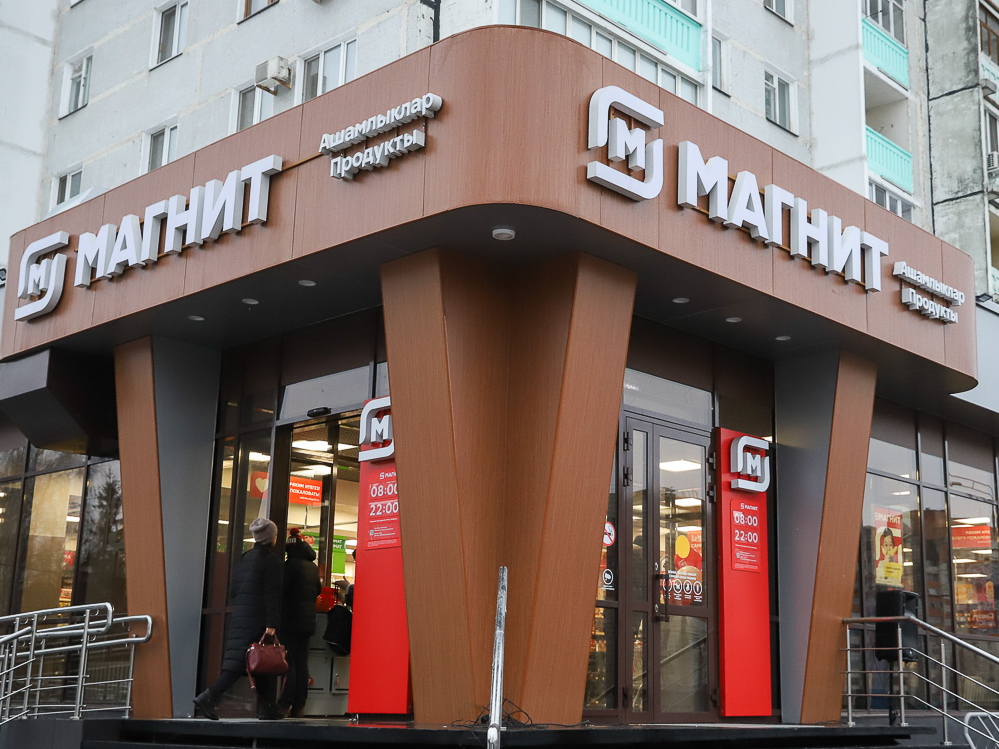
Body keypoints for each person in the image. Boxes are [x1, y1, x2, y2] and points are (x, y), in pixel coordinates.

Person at [194, 517, 284, 720]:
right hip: (257, 618)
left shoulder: (245, 558)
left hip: (241, 616)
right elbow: (272, 594)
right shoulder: (271, 560)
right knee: (241, 662)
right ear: (271, 538)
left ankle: (267, 707)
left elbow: (233, 590)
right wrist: (272, 623)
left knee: (259, 660)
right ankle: (209, 697)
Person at [277, 528, 322, 718]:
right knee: (302, 663)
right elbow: (318, 590)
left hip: (290, 619)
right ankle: (299, 705)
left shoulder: (290, 566)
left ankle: (285, 703)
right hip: (308, 621)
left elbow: (281, 590)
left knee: (290, 662)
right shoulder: (313, 567)